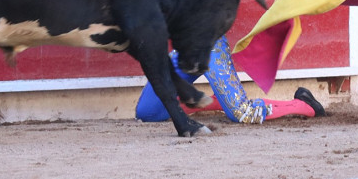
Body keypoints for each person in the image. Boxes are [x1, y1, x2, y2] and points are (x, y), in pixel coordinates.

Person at [135, 35, 325, 124]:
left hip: (210, 47)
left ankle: (303, 105)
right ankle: (217, 99)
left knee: (243, 113)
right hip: (184, 51)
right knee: (148, 113)